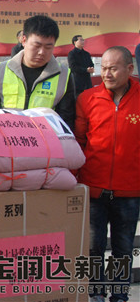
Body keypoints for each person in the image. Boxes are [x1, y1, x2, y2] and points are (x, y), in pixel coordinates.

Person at [74, 46, 139, 302]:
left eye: (113, 68)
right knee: (93, 248)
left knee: (123, 249)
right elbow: (79, 142)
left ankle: (120, 296)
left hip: (130, 190)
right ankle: (96, 294)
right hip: (93, 187)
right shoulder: (87, 98)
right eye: (104, 68)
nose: (107, 74)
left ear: (129, 69)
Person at [0, 15, 76, 131]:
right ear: (24, 40)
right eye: (37, 46)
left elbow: (66, 119)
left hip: (45, 139)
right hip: (6, 138)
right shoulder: (1, 69)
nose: (41, 52)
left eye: (48, 47)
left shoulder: (64, 75)